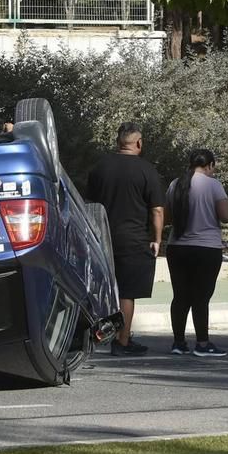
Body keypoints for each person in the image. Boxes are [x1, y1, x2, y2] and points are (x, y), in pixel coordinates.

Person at [86, 122, 165, 356]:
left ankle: (100, 334)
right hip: (133, 239)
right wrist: (157, 239)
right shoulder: (146, 170)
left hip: (103, 238)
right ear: (139, 143)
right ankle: (122, 341)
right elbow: (157, 209)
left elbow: (89, 204)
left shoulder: (100, 168)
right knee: (126, 293)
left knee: (105, 290)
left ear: (118, 142)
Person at [165, 149, 228, 357]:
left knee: (180, 296)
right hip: (206, 248)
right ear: (210, 165)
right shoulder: (214, 185)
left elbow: (167, 215)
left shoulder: (175, 184)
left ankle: (178, 342)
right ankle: (202, 343)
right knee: (201, 297)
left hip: (177, 247)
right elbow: (226, 216)